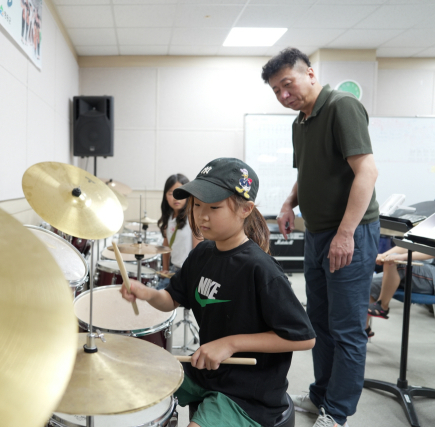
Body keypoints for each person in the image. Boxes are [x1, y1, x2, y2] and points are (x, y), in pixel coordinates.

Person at [121, 158, 316, 427]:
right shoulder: (202, 253)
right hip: (208, 372)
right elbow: (173, 299)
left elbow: (303, 338)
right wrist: (147, 293)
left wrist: (230, 344)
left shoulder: (261, 269)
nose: (201, 216)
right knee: (134, 382)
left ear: (246, 209)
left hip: (249, 393)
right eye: (197, 205)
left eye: (214, 207)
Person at [262, 47, 380, 427]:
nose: (283, 95)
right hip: (317, 233)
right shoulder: (301, 122)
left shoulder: (342, 107)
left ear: (310, 74)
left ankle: (338, 411)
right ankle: (320, 396)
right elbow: (308, 173)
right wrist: (287, 204)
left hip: (350, 234)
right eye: (276, 91)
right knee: (320, 322)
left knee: (346, 328)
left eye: (287, 84)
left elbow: (367, 172)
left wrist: (346, 234)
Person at [366, 246, 435, 335]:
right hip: (419, 269)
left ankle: (382, 306)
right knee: (371, 283)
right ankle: (363, 329)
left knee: (397, 262)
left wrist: (402, 257)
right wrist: (384, 255)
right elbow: (406, 245)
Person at [157, 174, 201, 289]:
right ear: (165, 196)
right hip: (174, 270)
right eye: (171, 193)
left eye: (180, 193)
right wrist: (165, 269)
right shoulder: (169, 217)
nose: (176, 198)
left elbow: (199, 250)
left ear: (188, 195)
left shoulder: (192, 217)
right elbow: (166, 245)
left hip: (188, 273)